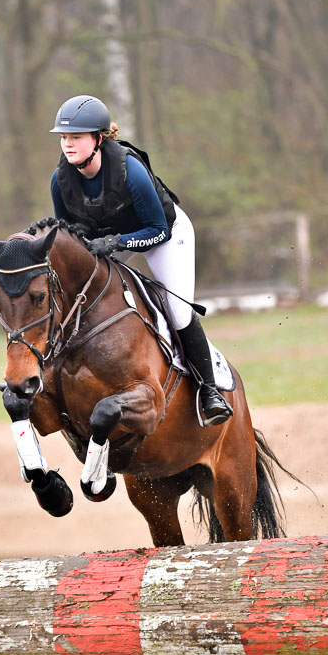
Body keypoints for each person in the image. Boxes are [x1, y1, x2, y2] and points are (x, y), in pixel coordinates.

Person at [49, 94, 232, 425]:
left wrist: (116, 242)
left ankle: (209, 391)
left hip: (164, 233)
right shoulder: (60, 181)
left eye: (76, 137)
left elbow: (158, 231)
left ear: (99, 139)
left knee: (177, 310)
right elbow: (69, 238)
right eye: (64, 137)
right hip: (112, 241)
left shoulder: (129, 170)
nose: (68, 144)